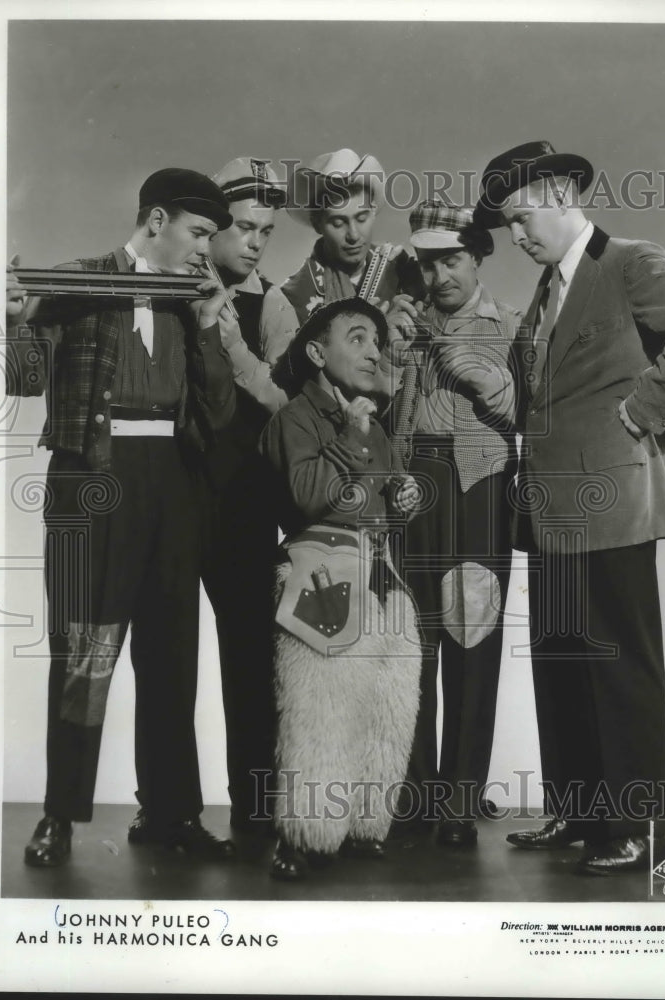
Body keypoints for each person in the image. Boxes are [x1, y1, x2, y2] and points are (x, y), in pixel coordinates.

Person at [473, 141, 665, 874]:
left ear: (556, 193)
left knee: (619, 666)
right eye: (508, 226)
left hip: (612, 498)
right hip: (549, 509)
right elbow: (534, 391)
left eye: (521, 219)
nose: (516, 237)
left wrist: (642, 411)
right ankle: (579, 812)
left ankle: (635, 826)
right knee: (559, 661)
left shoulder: (629, 262)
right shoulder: (549, 289)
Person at [5, 168, 238, 867]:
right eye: (199, 234)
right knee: (83, 650)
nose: (206, 250)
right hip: (91, 481)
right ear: (156, 219)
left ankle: (172, 813)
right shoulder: (80, 280)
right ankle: (59, 816)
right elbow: (24, 380)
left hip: (173, 486)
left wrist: (205, 330)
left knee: (171, 654)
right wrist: (15, 319)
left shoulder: (193, 302)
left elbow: (219, 413)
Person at [259, 298, 422, 881]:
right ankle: (302, 834)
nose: (373, 350)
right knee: (318, 711)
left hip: (379, 573)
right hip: (321, 570)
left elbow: (386, 486)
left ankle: (361, 822)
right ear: (316, 352)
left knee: (384, 708)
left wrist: (403, 493)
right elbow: (309, 496)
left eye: (376, 340)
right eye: (357, 338)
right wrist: (354, 439)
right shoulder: (294, 418)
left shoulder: (372, 421)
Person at [376, 200, 520, 847]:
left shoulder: (512, 325)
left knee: (472, 638)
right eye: (428, 263)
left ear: (478, 256)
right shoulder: (399, 323)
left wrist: (487, 377)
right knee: (412, 642)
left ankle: (459, 803)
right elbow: (368, 406)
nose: (439, 276)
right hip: (412, 485)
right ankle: (413, 797)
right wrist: (386, 347)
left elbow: (533, 413)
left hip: (481, 488)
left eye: (452, 260)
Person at [199, 156, 298, 837]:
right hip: (178, 494)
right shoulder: (178, 289)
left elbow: (289, 403)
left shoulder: (275, 303)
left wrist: (234, 344)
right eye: (243, 227)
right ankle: (167, 806)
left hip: (244, 502)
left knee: (248, 656)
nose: (256, 241)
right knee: (168, 654)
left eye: (265, 229)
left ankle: (255, 811)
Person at [281, 148, 423, 324]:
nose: (354, 235)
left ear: (373, 212)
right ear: (318, 224)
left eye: (361, 219)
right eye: (338, 223)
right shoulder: (294, 296)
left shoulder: (402, 269)